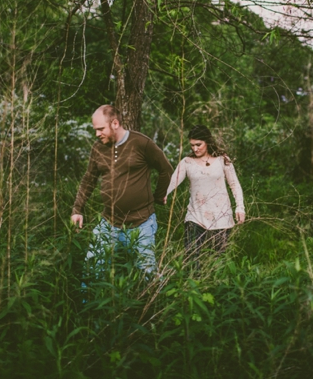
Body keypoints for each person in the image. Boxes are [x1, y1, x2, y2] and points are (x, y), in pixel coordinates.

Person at [71, 105, 173, 275]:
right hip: (108, 223)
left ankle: (150, 301)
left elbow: (166, 169)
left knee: (146, 275)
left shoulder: (141, 143)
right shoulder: (98, 148)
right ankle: (86, 301)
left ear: (115, 123)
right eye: (95, 130)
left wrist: (159, 195)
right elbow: (89, 179)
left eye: (101, 129)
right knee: (92, 270)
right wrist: (77, 209)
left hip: (141, 224)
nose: (97, 134)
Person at [165, 125, 245, 260]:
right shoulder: (187, 162)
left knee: (218, 260)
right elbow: (173, 181)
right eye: (192, 145)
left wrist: (240, 207)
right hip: (195, 216)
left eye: (198, 145)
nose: (195, 149)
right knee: (192, 258)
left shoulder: (222, 160)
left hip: (221, 217)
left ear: (207, 142)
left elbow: (234, 185)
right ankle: (192, 280)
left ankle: (214, 281)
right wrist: (164, 194)